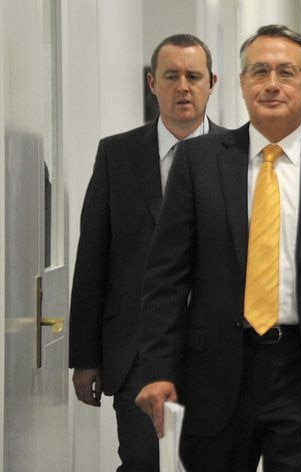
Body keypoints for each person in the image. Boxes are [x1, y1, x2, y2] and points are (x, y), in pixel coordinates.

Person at [134, 24, 301, 472]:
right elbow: (166, 278)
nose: (272, 84)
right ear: (241, 83)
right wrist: (158, 368)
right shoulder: (200, 162)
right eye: (260, 71)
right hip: (214, 370)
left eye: (286, 73)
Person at [68, 33, 221, 471]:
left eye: (193, 76)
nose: (183, 87)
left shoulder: (240, 155)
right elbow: (94, 257)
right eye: (171, 76)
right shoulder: (117, 155)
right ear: (153, 83)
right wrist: (85, 357)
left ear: (212, 82)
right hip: (136, 348)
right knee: (141, 462)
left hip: (220, 354)